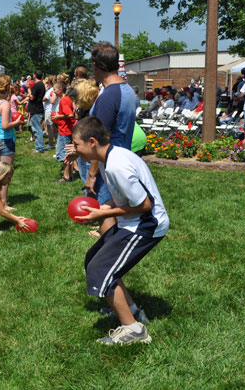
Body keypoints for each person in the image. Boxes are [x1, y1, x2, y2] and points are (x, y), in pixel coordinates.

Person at [67, 116, 169, 346]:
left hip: (146, 225)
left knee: (102, 270)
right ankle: (132, 310)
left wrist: (102, 215)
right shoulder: (107, 157)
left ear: (92, 142)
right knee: (94, 259)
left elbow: (145, 204)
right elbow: (121, 195)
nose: (74, 148)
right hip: (132, 222)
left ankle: (134, 330)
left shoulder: (116, 165)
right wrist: (103, 208)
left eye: (77, 144)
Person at [85, 42, 138, 238]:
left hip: (109, 164)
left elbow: (100, 140)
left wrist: (91, 175)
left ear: (97, 66)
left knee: (104, 209)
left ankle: (108, 249)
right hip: (122, 157)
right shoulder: (127, 90)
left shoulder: (109, 96)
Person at [0, 74, 24, 208]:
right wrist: (17, 122)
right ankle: (3, 203)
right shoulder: (5, 104)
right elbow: (5, 125)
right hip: (5, 140)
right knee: (5, 174)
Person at [51, 81, 76, 182]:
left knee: (64, 154)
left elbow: (70, 114)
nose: (53, 91)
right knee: (67, 153)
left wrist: (58, 116)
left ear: (60, 90)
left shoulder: (63, 100)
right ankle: (70, 175)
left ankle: (66, 177)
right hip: (66, 129)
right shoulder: (67, 99)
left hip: (65, 130)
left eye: (55, 89)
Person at [27, 70, 46, 152]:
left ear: (34, 75)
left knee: (37, 129)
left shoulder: (37, 85)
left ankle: (39, 148)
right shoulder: (41, 84)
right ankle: (39, 146)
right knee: (37, 129)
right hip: (38, 108)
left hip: (36, 110)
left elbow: (32, 97)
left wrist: (28, 89)